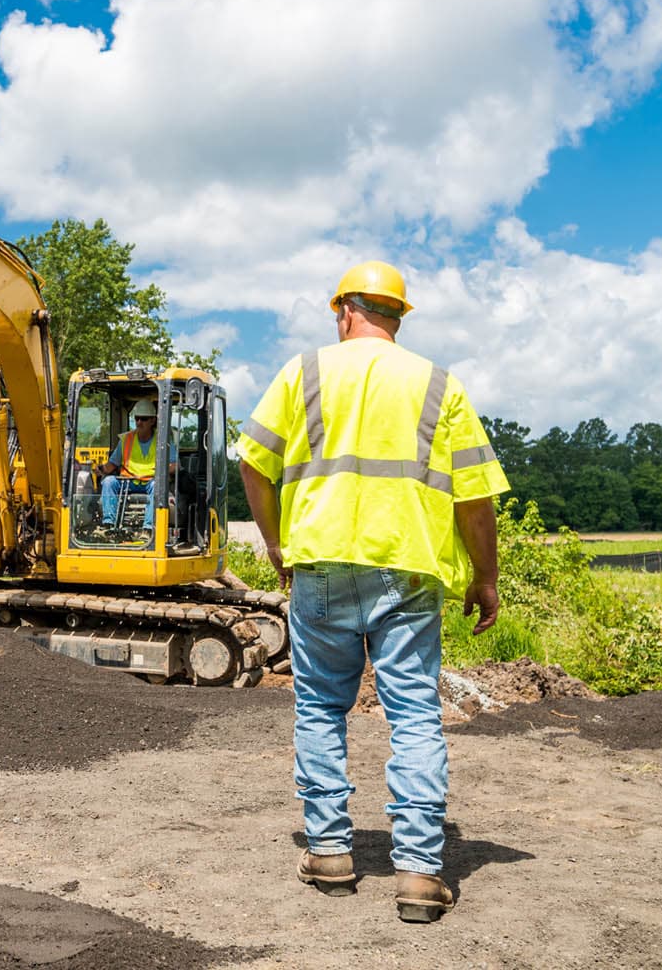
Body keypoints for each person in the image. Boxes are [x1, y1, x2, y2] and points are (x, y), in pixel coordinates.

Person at [235, 260, 508, 923]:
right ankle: (417, 873)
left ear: (343, 311)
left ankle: (328, 851)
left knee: (321, 709)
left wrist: (277, 547)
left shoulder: (303, 374)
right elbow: (474, 499)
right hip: (406, 571)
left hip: (320, 566)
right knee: (412, 714)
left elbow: (251, 460)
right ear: (398, 316)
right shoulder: (437, 384)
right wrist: (484, 576)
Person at [94, 398, 175, 540]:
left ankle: (148, 529)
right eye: (137, 418)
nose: (139, 422)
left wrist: (160, 472)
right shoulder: (126, 439)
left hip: (150, 482)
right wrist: (100, 469)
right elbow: (112, 464)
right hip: (128, 482)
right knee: (108, 482)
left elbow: (175, 465)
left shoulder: (163, 440)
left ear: (152, 421)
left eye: (143, 419)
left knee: (157, 486)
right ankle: (108, 526)